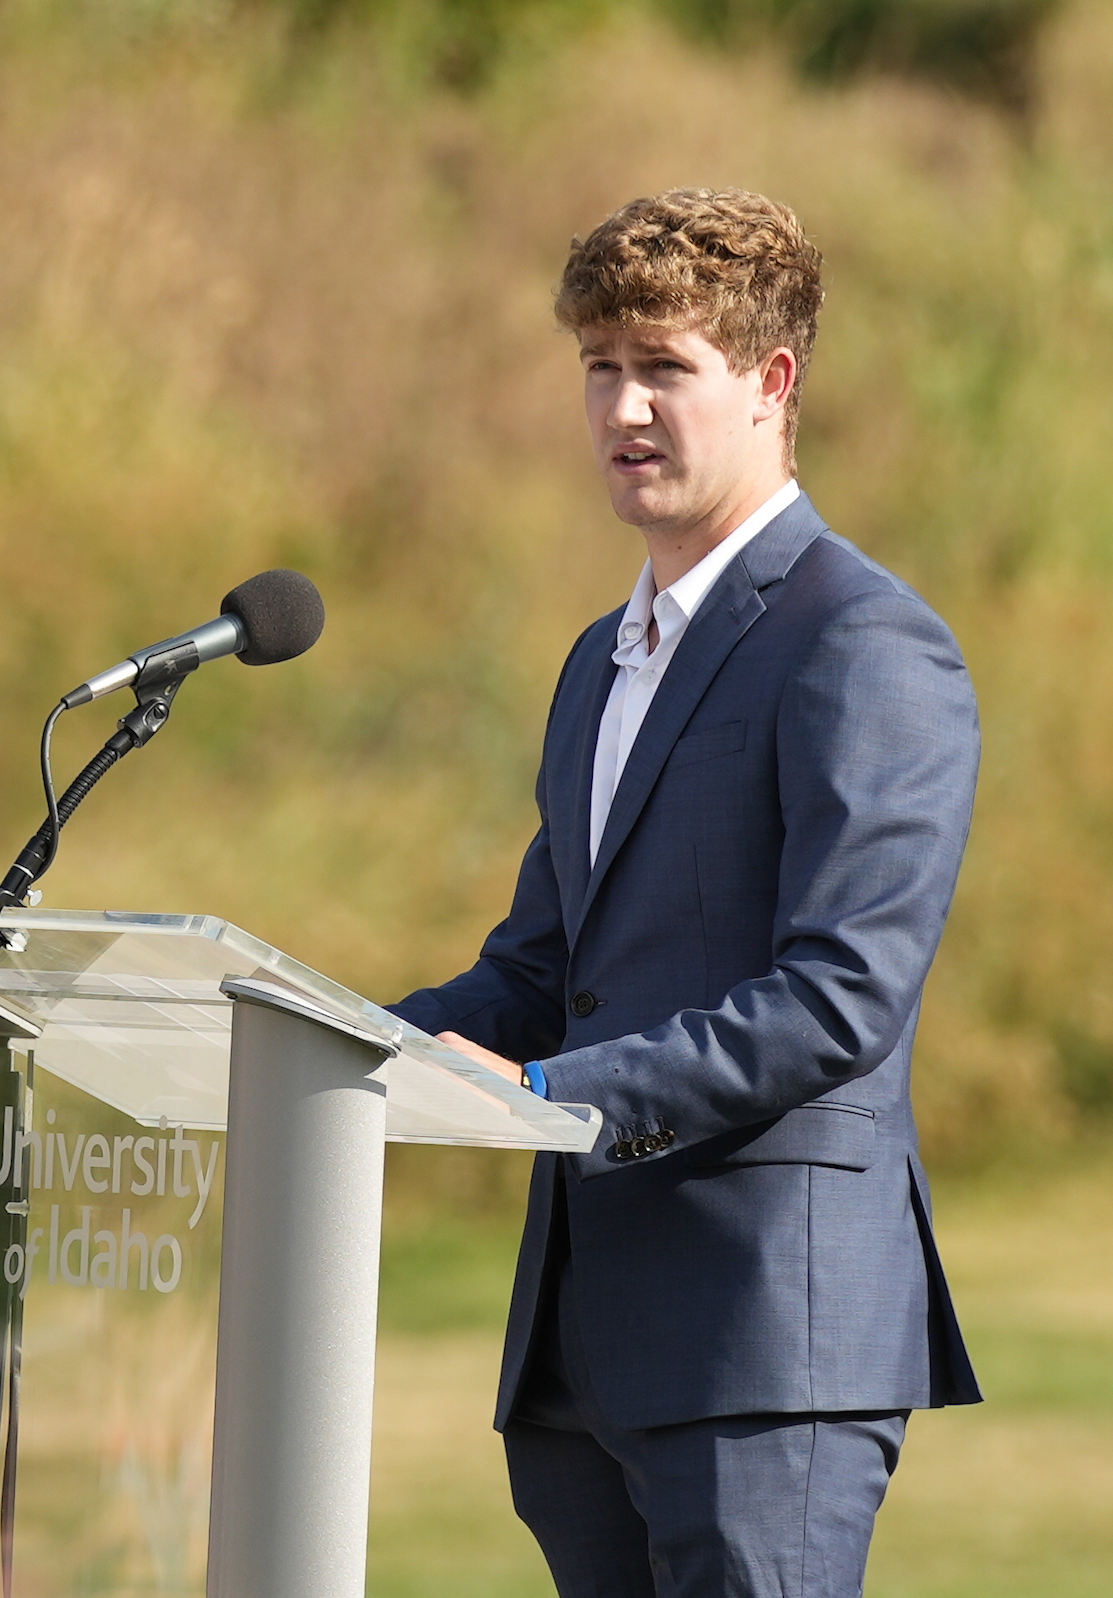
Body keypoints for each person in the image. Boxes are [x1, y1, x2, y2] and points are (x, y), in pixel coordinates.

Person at [386, 188, 982, 1597]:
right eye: (602, 366)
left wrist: (556, 1098)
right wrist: (321, 1037)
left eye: (667, 368)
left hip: (765, 1340)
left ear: (773, 383)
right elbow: (541, 968)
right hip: (586, 1350)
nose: (625, 408)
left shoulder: (869, 643)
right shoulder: (601, 658)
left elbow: (841, 997)